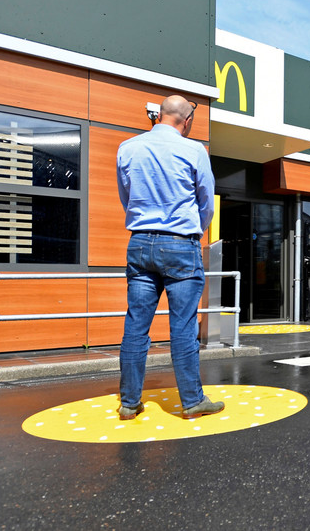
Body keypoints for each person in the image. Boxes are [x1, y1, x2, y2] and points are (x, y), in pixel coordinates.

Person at [115, 95, 224, 420]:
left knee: (136, 325)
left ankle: (129, 403)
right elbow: (207, 203)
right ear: (187, 121)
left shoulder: (128, 148)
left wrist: (145, 225)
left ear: (159, 115)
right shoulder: (193, 151)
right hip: (180, 244)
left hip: (140, 243)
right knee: (183, 326)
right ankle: (191, 402)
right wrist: (194, 231)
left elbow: (127, 195)